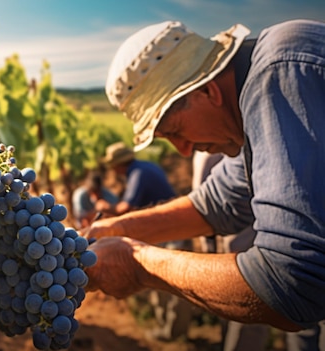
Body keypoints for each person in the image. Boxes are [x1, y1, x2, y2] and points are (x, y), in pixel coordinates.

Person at [84, 18, 325, 341]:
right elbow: (217, 203)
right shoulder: (252, 105)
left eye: (175, 132)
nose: (183, 151)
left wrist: (137, 264)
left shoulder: (279, 75)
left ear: (208, 90)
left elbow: (292, 282)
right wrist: (120, 229)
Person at [98, 141, 194, 341]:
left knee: (171, 280)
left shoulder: (137, 174)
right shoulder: (146, 167)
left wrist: (106, 207)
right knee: (172, 279)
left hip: (170, 229)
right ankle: (172, 328)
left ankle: (172, 333)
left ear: (117, 165)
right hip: (174, 225)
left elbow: (125, 208)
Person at [192, 151, 270, 351]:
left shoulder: (206, 153)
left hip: (241, 247)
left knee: (242, 307)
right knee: (245, 310)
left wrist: (208, 249)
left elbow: (205, 208)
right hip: (246, 245)